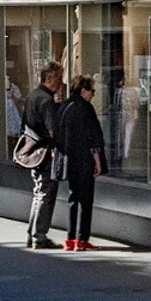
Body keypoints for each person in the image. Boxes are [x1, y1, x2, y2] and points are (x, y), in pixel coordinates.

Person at [57, 75, 106, 251]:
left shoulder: (64, 107)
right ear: (84, 91)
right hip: (84, 160)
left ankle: (70, 239)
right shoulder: (86, 109)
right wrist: (98, 162)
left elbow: (58, 135)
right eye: (92, 91)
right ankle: (82, 239)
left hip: (69, 160)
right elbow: (93, 138)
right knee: (86, 200)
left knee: (72, 198)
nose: (93, 95)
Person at [23, 61, 65, 250]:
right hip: (46, 153)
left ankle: (32, 234)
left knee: (38, 193)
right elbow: (52, 129)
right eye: (58, 78)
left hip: (33, 151)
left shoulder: (33, 95)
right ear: (50, 78)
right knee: (46, 193)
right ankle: (39, 236)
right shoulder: (47, 100)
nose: (61, 82)